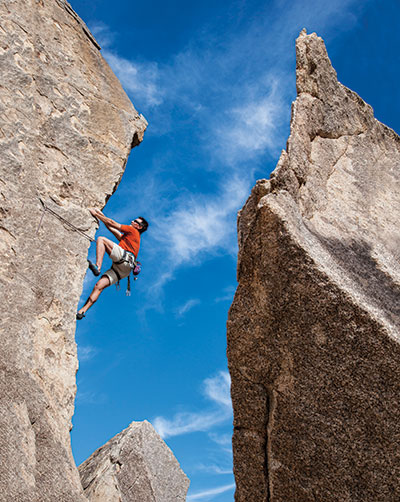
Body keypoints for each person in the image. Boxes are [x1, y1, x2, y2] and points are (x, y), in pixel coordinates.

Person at [76, 209, 149, 319]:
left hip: (124, 259)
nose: (132, 221)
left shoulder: (133, 231)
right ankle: (83, 311)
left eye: (135, 221)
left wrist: (96, 214)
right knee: (99, 286)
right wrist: (100, 215)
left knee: (101, 239)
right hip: (124, 270)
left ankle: (98, 266)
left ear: (139, 227)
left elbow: (113, 223)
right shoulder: (129, 238)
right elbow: (111, 227)